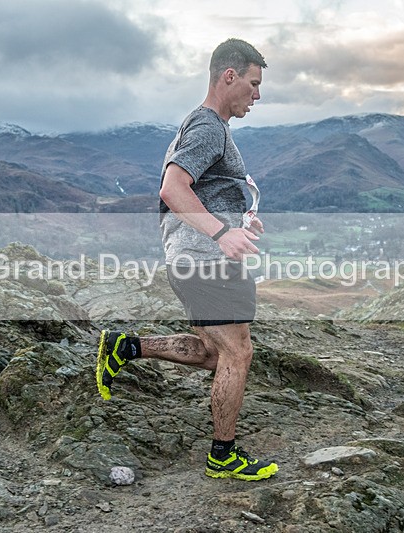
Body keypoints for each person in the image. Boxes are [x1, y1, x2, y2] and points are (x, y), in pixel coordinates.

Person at [96, 38, 278, 481]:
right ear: (228, 76)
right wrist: (221, 233)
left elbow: (196, 193)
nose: (258, 94)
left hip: (195, 257)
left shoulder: (209, 128)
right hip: (204, 258)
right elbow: (172, 189)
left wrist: (236, 222)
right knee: (238, 351)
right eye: (253, 84)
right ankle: (223, 455)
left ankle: (127, 347)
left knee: (217, 354)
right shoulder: (208, 126)